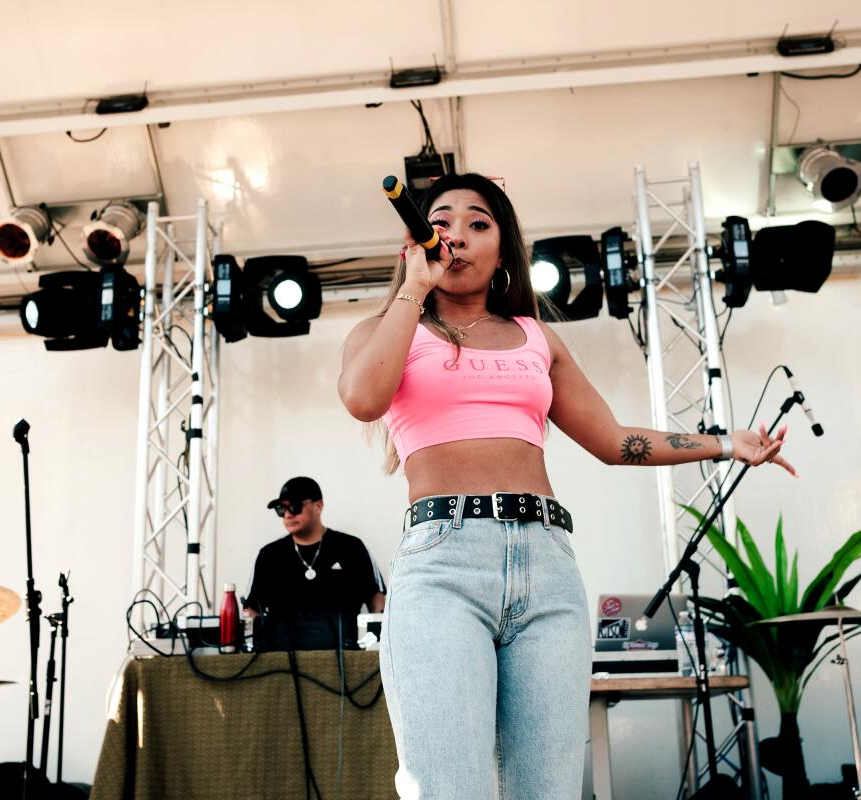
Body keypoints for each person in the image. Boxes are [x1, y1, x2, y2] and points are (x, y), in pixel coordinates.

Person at [337, 173, 795, 799]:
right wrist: (413, 291)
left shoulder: (536, 337)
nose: (461, 236)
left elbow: (613, 441)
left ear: (503, 248)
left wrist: (724, 443)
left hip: (547, 564)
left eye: (481, 223)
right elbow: (363, 399)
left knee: (547, 790)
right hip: (443, 562)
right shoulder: (385, 328)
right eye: (444, 221)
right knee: (446, 787)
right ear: (418, 240)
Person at [243, 477, 386, 649]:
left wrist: (377, 646)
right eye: (281, 509)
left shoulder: (351, 547)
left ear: (318, 506)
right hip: (281, 659)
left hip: (345, 657)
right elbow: (251, 611)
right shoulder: (269, 555)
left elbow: (377, 601)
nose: (288, 514)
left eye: (295, 507)